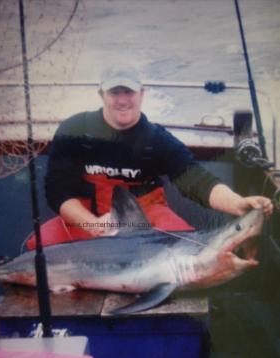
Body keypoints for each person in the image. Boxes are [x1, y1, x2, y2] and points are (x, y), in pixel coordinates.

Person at [44, 65, 273, 242]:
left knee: (189, 249)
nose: (123, 100)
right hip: (88, 218)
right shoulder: (74, 130)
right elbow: (58, 191)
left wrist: (238, 203)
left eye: (129, 92)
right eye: (115, 92)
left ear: (142, 94)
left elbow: (196, 180)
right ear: (101, 94)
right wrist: (93, 225)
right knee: (37, 249)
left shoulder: (156, 139)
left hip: (145, 220)